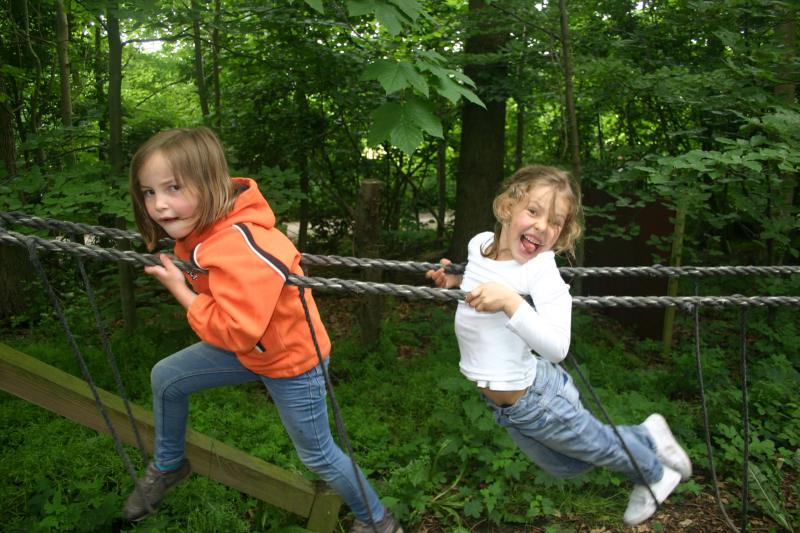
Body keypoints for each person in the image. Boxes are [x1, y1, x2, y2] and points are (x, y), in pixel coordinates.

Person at [125, 127, 402, 533]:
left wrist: (180, 290)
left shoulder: (241, 242)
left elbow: (236, 330)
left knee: (319, 455)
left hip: (290, 360)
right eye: (149, 192)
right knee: (167, 378)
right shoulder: (206, 230)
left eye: (173, 188)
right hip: (252, 348)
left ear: (210, 184)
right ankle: (169, 465)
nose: (160, 205)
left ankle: (378, 521)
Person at [426, 165, 691, 526]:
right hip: (508, 407)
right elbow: (481, 281)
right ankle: (646, 435)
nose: (541, 226)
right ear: (506, 206)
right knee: (567, 466)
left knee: (598, 447)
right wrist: (458, 279)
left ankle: (654, 474)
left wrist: (511, 302)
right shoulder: (479, 245)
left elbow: (557, 346)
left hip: (536, 401)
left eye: (554, 222)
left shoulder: (541, 271)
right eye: (533, 211)